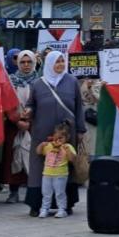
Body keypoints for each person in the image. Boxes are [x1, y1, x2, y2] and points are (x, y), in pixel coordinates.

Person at [27, 52, 85, 217]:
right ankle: (37, 204)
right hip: (42, 132)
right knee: (40, 167)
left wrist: (80, 129)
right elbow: (31, 104)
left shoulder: (71, 81)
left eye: (62, 61)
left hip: (67, 132)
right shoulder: (38, 84)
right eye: (57, 62)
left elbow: (79, 107)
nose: (60, 64)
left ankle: (65, 204)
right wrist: (28, 111)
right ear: (49, 64)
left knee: (65, 164)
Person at [3, 51, 40, 203]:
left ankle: (33, 191)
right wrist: (17, 120)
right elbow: (6, 103)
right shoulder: (11, 81)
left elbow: (42, 103)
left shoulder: (40, 82)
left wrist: (29, 121)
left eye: (29, 62)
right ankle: (13, 191)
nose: (26, 65)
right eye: (22, 62)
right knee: (14, 157)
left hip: (34, 126)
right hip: (15, 125)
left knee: (33, 158)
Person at [36, 123, 75, 218]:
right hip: (47, 174)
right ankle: (44, 208)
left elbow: (72, 159)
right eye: (56, 137)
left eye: (61, 138)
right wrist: (41, 145)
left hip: (61, 174)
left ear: (66, 138)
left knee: (60, 193)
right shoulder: (49, 146)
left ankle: (62, 209)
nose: (58, 140)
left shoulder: (68, 147)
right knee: (46, 193)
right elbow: (38, 152)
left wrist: (67, 150)